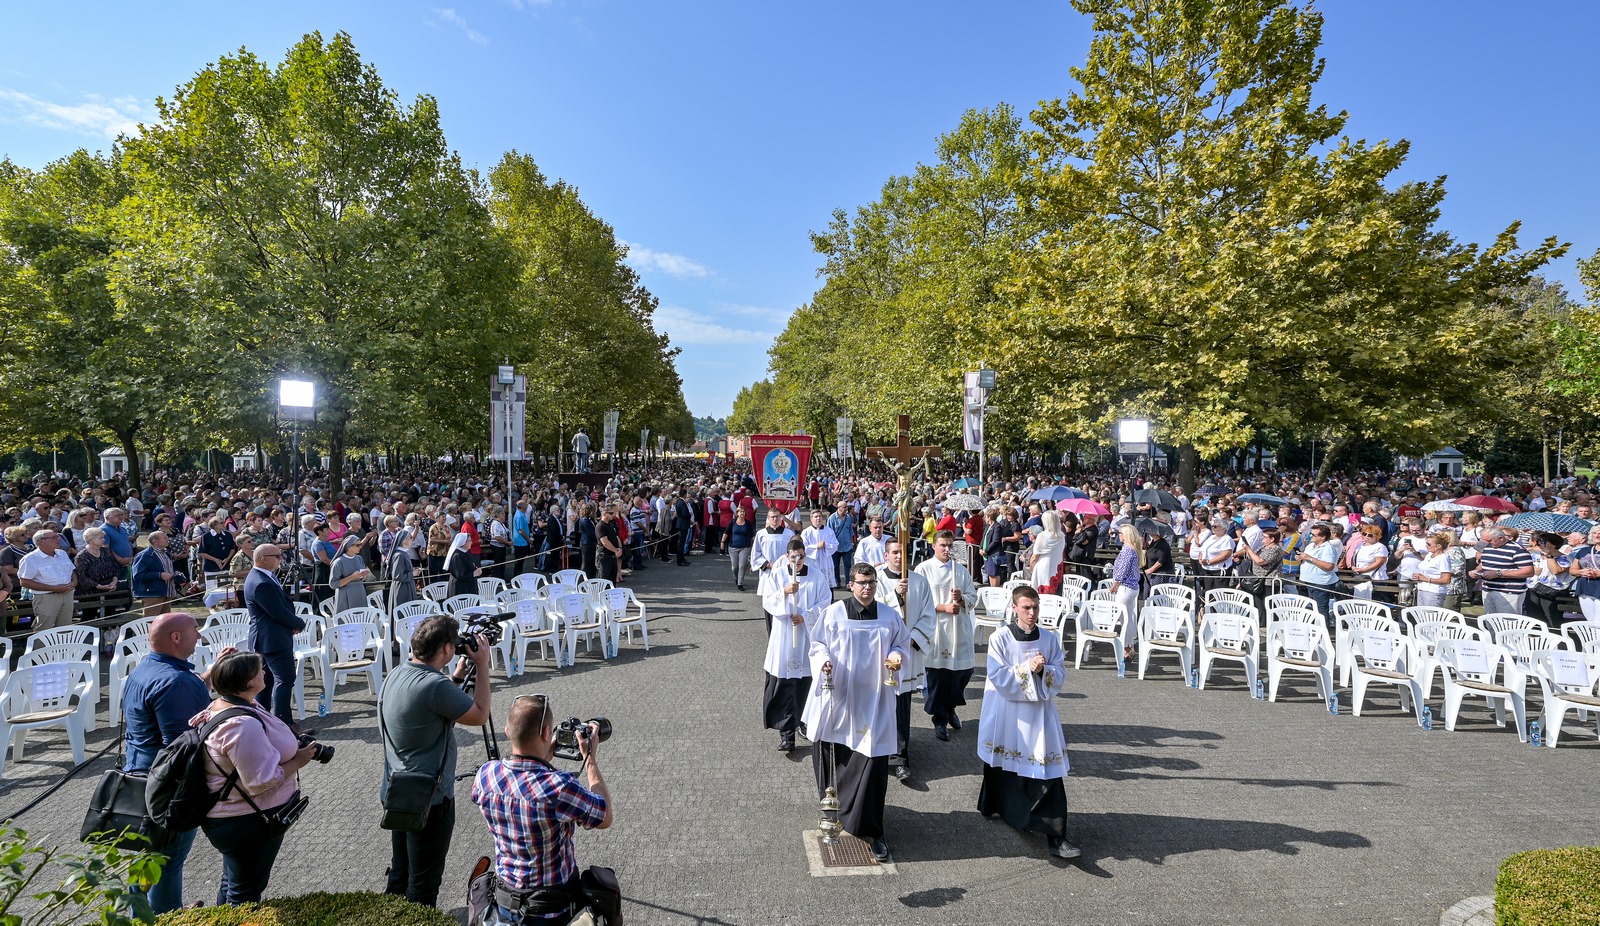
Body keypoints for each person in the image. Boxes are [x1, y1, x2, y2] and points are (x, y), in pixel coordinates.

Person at [381, 614, 493, 907]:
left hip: (398, 790)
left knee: (400, 874)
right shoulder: (434, 686)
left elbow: (431, 713)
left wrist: (455, 678)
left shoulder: (397, 673)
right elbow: (480, 715)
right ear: (446, 648)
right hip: (430, 798)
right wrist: (482, 666)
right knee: (423, 884)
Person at [801, 563, 910, 862]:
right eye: (862, 582)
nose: (867, 587)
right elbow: (817, 644)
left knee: (873, 764)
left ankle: (873, 830)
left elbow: (902, 644)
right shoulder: (834, 614)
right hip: (840, 696)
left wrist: (896, 655)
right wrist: (823, 660)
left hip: (874, 699)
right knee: (833, 752)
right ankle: (833, 812)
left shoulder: (889, 616)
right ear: (851, 584)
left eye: (871, 582)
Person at [471, 694, 613, 922]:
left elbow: (522, 786)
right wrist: (590, 758)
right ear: (547, 733)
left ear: (507, 731)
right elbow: (604, 817)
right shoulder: (560, 787)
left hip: (506, 902)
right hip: (552, 909)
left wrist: (542, 754)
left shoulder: (485, 775)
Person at [121, 612, 228, 913]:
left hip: (138, 777)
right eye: (195, 629)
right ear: (176, 637)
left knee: (146, 854)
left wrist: (210, 673)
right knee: (167, 860)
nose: (200, 635)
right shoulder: (176, 681)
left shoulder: (145, 668)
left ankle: (140, 915)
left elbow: (175, 698)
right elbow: (185, 746)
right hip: (168, 787)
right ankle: (167, 916)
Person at [196, 651, 319, 905]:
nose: (264, 672)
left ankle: (223, 918)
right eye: (259, 669)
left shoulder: (235, 704)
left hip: (240, 818)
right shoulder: (242, 725)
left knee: (234, 883)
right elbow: (260, 782)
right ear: (247, 682)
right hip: (246, 821)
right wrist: (298, 760)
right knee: (246, 894)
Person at [976, 585, 1080, 860]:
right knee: (1003, 763)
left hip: (1038, 714)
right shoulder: (1000, 638)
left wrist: (1044, 670)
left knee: (1046, 769)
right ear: (1014, 608)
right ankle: (997, 804)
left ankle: (1056, 837)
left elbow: (1060, 672)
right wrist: (1026, 669)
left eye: (1035, 607)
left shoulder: (1049, 638)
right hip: (1007, 712)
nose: (1032, 613)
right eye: (1026, 608)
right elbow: (997, 675)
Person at [874, 535, 936, 784]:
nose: (899, 557)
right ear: (886, 555)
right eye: (894, 552)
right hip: (881, 652)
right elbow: (871, 608)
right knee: (879, 703)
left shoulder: (919, 581)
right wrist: (895, 596)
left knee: (901, 706)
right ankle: (877, 753)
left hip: (907, 652)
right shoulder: (876, 580)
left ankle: (900, 757)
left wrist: (912, 639)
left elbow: (928, 615)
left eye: (902, 552)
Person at [760, 538, 830, 751]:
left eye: (800, 557)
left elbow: (825, 602)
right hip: (784, 636)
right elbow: (767, 600)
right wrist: (784, 592)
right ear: (787, 556)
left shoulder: (817, 576)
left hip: (807, 636)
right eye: (793, 557)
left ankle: (804, 722)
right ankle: (787, 735)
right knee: (785, 684)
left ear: (805, 556)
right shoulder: (778, 574)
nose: (797, 561)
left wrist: (806, 617)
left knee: (805, 683)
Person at [916, 530, 978, 741]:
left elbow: (973, 596)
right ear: (934, 545)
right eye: (943, 545)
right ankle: (940, 719)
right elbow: (918, 599)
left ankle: (950, 707)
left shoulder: (960, 570)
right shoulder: (924, 569)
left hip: (958, 628)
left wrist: (961, 599)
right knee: (938, 675)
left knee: (963, 672)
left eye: (950, 545)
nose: (947, 549)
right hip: (936, 628)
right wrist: (943, 607)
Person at [242, 544, 307, 729]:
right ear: (263, 559)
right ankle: (283, 723)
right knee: (285, 679)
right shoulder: (261, 582)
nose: (281, 559)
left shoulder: (263, 577)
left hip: (268, 638)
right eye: (277, 556)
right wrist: (298, 623)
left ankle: (264, 721)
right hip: (272, 639)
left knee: (266, 682)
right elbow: (277, 611)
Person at [16, 529, 75, 630]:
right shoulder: (30, 559)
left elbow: (72, 571)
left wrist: (74, 582)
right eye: (54, 537)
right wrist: (53, 588)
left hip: (67, 595)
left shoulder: (62, 553)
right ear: (41, 541)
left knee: (65, 627)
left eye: (58, 536)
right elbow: (24, 582)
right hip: (46, 598)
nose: (58, 539)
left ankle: (63, 642)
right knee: (44, 628)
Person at [1472, 527, 1534, 615]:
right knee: (1490, 620)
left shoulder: (1518, 550)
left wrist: (1499, 573)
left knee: (1507, 621)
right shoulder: (1486, 546)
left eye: (1489, 540)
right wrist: (1477, 571)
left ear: (1501, 538)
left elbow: (1529, 572)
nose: (1486, 543)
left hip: (1509, 592)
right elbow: (1485, 562)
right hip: (1487, 589)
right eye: (1483, 540)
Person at [750, 508, 795, 625]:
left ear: (781, 518)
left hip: (784, 572)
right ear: (768, 518)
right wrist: (768, 564)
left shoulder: (789, 534)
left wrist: (784, 564)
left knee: (786, 602)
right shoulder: (761, 534)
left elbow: (793, 553)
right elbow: (755, 554)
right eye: (772, 517)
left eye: (777, 516)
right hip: (768, 573)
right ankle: (770, 633)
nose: (775, 519)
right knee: (769, 602)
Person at [1108, 523, 1143, 660]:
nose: (1119, 535)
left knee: (1124, 619)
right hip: (1130, 587)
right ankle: (1130, 646)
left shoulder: (1128, 550)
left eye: (1120, 533)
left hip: (1126, 587)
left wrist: (1114, 585)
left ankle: (1127, 648)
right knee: (1128, 618)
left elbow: (1122, 570)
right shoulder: (1131, 549)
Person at [1296, 523, 1342, 624]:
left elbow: (1329, 566)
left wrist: (1310, 558)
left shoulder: (1328, 548)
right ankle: (1315, 628)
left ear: (1323, 537)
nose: (1311, 536)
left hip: (1321, 582)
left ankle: (1323, 630)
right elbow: (1306, 561)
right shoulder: (1310, 546)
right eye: (1310, 534)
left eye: (1314, 535)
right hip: (1309, 580)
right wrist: (1301, 559)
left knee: (1321, 608)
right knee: (1312, 608)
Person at [1525, 532, 1572, 628]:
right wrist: (1533, 570)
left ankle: (1555, 635)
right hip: (1533, 588)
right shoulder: (1535, 555)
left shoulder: (1564, 558)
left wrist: (1549, 555)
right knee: (1534, 617)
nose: (1540, 544)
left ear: (1553, 545)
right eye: (1539, 541)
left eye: (1543, 542)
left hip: (1552, 592)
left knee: (1551, 618)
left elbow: (1556, 571)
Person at [329, 534, 373, 614]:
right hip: (345, 594)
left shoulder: (359, 558)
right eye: (357, 545)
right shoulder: (338, 562)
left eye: (360, 544)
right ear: (349, 547)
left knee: (361, 618)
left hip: (360, 592)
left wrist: (364, 575)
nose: (360, 547)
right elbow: (333, 584)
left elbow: (362, 578)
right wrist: (352, 577)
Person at [801, 508, 839, 589]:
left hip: (826, 561)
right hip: (813, 562)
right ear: (811, 519)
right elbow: (803, 548)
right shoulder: (806, 532)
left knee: (827, 585)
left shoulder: (829, 531)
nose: (818, 518)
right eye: (816, 517)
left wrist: (826, 545)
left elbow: (835, 545)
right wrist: (816, 546)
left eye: (820, 516)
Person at [445, 532, 483, 599]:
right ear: (463, 542)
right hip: (461, 590)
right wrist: (473, 574)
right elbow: (460, 575)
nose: (471, 542)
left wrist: (476, 569)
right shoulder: (457, 556)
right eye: (469, 541)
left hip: (468, 587)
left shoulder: (465, 552)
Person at [727, 505, 755, 591]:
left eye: (743, 511)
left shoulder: (748, 523)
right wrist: (722, 542)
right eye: (740, 511)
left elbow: (752, 535)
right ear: (737, 513)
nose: (742, 513)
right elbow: (726, 532)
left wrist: (755, 545)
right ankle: (736, 578)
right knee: (734, 567)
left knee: (742, 565)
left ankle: (740, 583)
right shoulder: (733, 522)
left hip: (745, 547)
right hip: (733, 547)